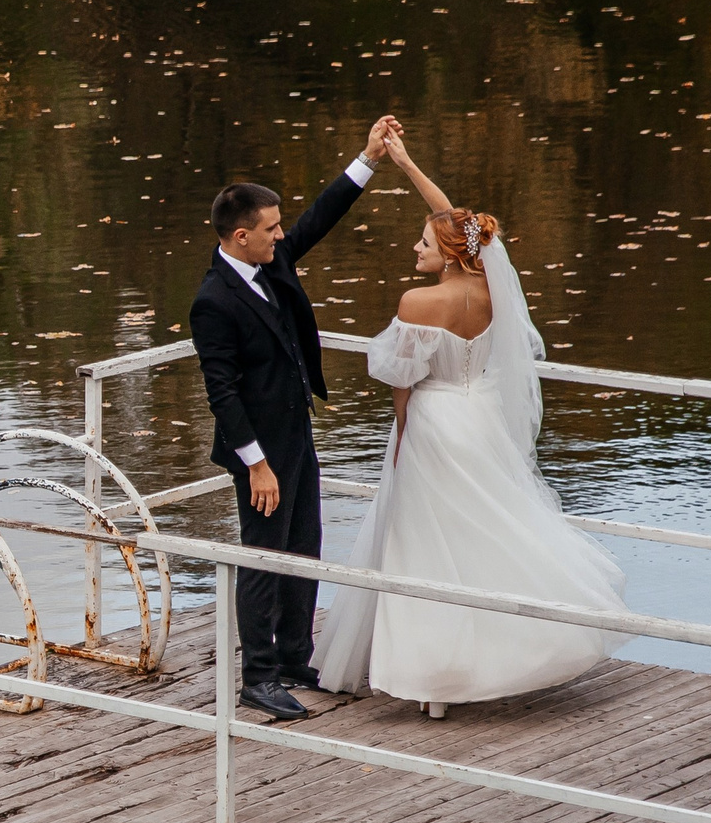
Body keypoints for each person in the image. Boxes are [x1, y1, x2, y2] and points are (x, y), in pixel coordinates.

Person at [313, 127, 629, 712]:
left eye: (422, 245)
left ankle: (433, 679)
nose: (415, 250)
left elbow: (402, 383)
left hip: (433, 422)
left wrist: (403, 433)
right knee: (484, 532)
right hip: (479, 417)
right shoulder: (493, 291)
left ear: (450, 252)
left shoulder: (418, 302)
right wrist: (405, 164)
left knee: (425, 544)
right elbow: (454, 223)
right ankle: (498, 652)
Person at [190, 116, 402, 724]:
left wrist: (367, 161)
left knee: (303, 545)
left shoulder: (270, 261)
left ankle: (291, 656)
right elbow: (221, 393)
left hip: (295, 433)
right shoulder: (212, 301)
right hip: (258, 448)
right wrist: (256, 464)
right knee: (262, 556)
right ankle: (256, 678)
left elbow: (315, 221)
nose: (282, 235)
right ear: (238, 238)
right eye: (270, 229)